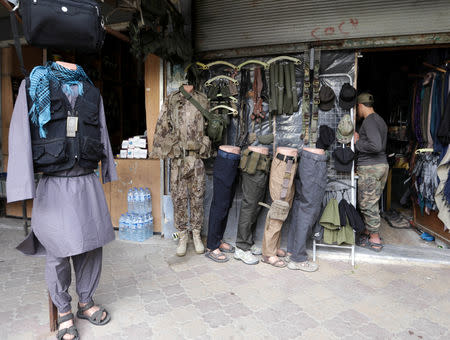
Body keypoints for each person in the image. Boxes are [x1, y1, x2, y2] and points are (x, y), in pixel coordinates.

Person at [8, 61, 116, 340]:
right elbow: (20, 134)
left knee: (91, 246)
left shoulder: (91, 91)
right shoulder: (34, 85)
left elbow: (102, 131)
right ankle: (64, 310)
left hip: (87, 181)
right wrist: (23, 186)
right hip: (54, 184)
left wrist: (107, 170)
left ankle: (85, 302)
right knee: (57, 251)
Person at [354, 93, 389, 252]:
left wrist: (357, 142)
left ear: (360, 106)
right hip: (381, 165)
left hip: (371, 167)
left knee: (367, 204)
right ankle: (369, 231)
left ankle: (375, 239)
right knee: (372, 201)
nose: (357, 111)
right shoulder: (380, 120)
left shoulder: (369, 121)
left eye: (357, 108)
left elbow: (376, 146)